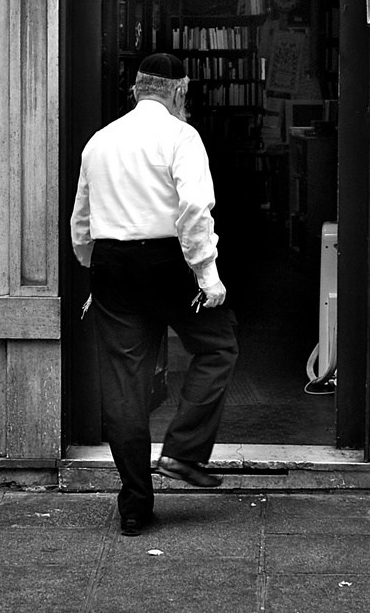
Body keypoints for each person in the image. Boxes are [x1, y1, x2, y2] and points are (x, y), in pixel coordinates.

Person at [71, 52, 238, 537]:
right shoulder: (182, 136)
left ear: (137, 89)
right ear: (178, 90)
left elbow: (82, 218)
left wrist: (92, 264)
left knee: (124, 382)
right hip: (168, 264)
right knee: (219, 344)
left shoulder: (99, 141)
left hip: (112, 267)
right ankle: (184, 453)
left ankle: (134, 506)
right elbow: (194, 209)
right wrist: (207, 277)